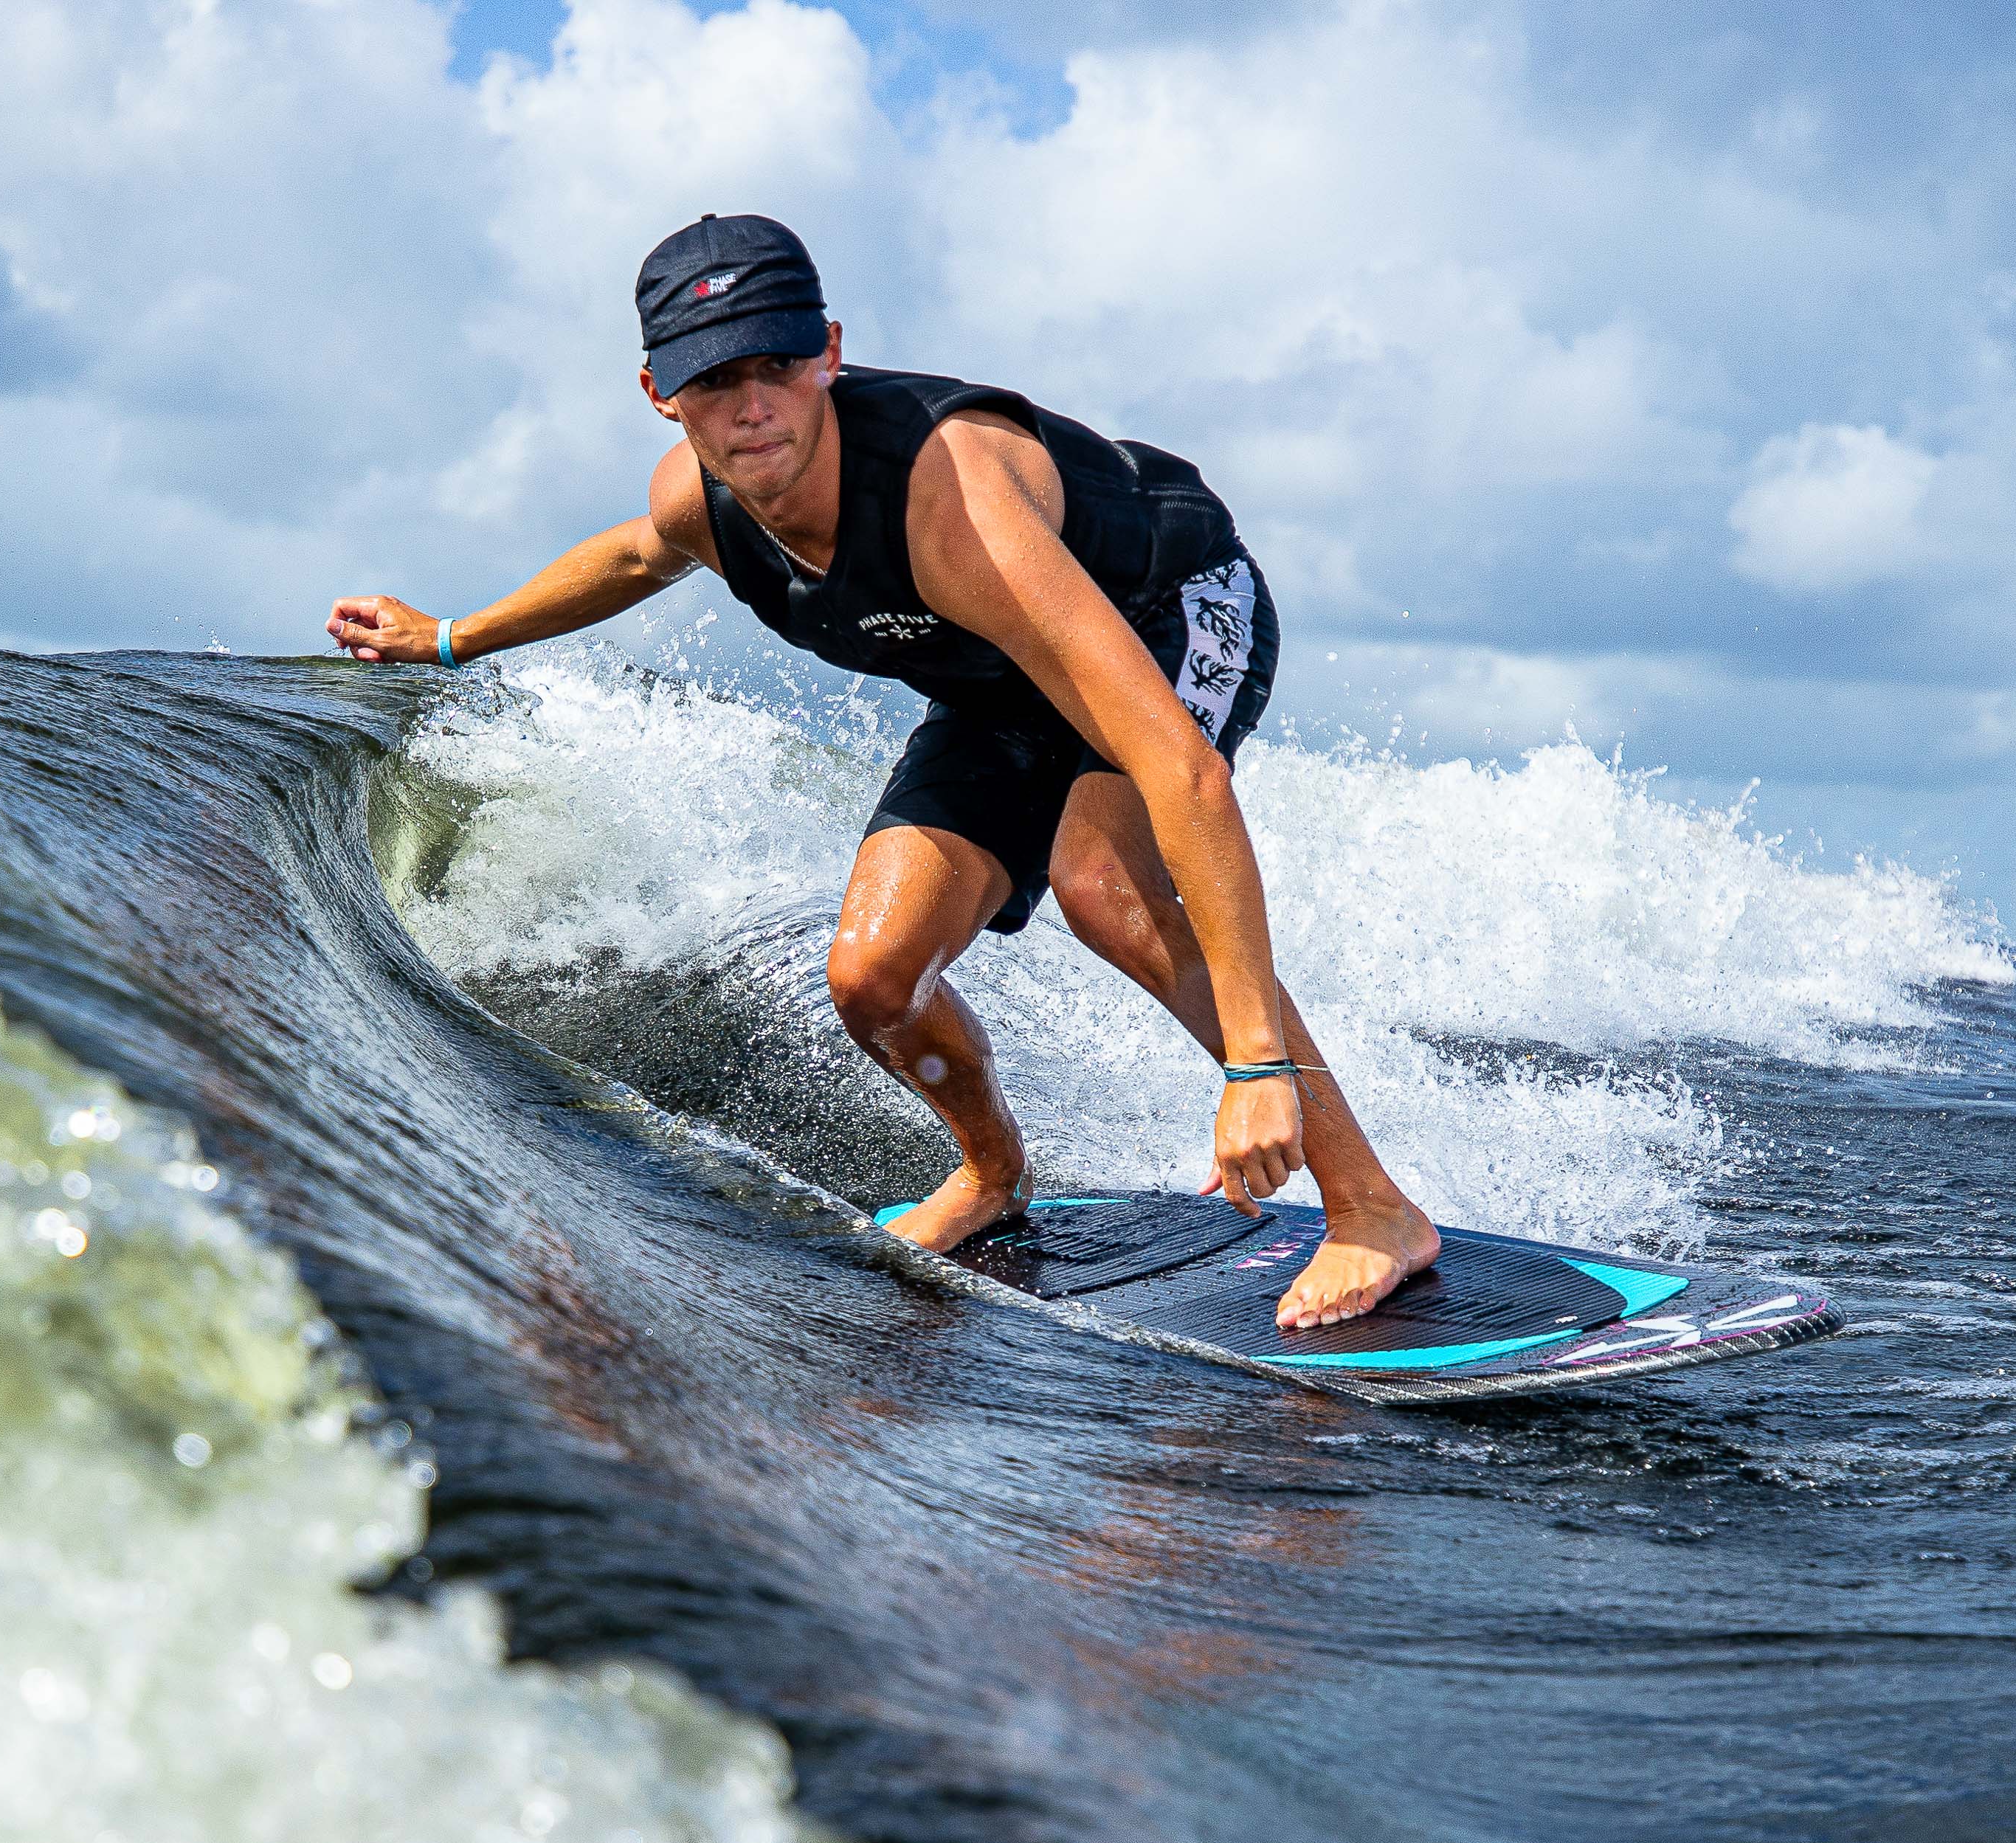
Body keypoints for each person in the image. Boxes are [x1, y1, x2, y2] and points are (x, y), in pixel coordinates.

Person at [329, 213, 1439, 1329]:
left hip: (1168, 604)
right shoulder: (701, 505)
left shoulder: (947, 499)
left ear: (830, 353)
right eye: (715, 380)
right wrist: (450, 637)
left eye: (777, 364)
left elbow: (1182, 773)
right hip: (1003, 681)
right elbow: (631, 556)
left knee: (1103, 886)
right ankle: (993, 1174)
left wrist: (1255, 1067)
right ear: (662, 394)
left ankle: (1372, 1206)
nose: (753, 405)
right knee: (874, 975)